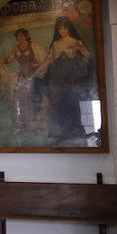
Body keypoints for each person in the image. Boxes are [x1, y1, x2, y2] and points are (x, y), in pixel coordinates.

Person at [34, 15, 93, 144]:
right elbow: (49, 60)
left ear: (69, 29)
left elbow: (87, 56)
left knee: (72, 102)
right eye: (60, 29)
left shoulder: (75, 41)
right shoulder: (55, 44)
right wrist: (37, 72)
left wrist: (80, 49)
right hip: (57, 78)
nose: (62, 31)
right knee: (57, 105)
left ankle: (75, 131)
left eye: (64, 28)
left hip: (71, 77)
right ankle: (59, 132)